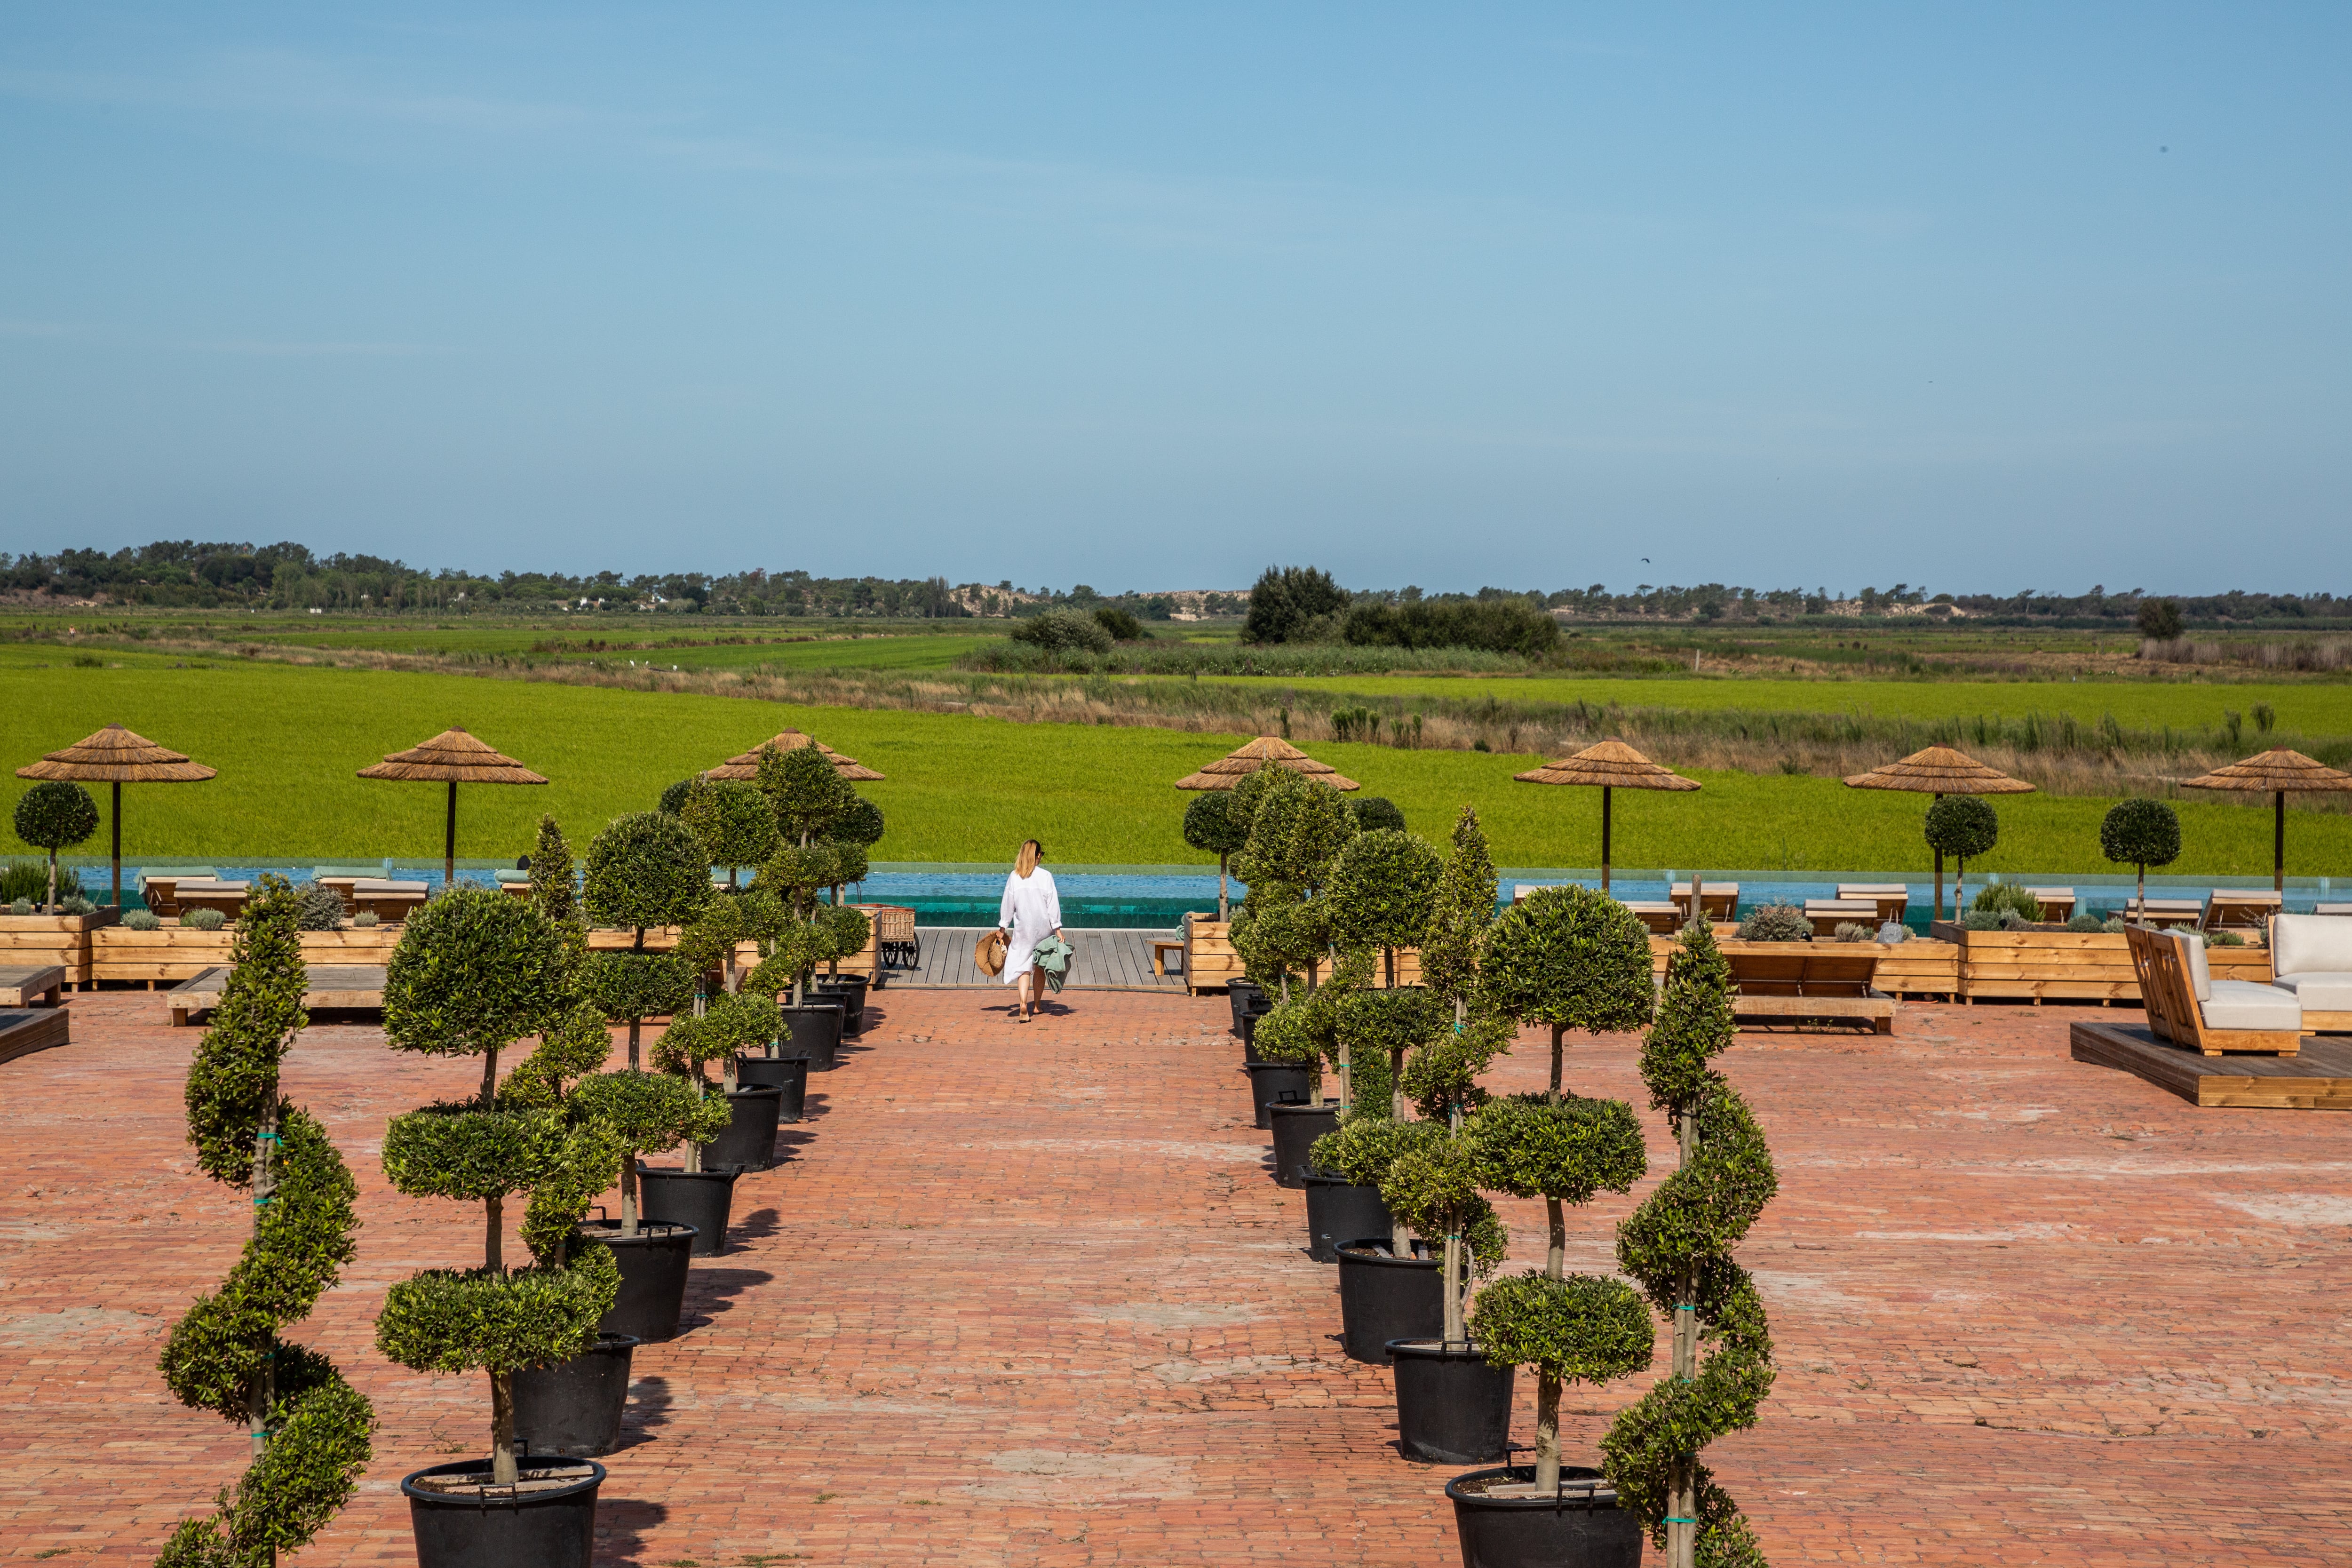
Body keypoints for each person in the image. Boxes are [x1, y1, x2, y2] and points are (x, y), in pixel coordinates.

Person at [996, 838, 1063, 1022]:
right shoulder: (1046, 877)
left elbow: (1008, 905)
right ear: (1038, 856)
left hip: (1024, 929)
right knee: (1039, 966)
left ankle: (1023, 1003)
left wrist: (1003, 928)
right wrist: (1057, 929)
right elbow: (1053, 906)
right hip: (1044, 928)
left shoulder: (1015, 877)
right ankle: (1038, 1005)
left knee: (1023, 967)